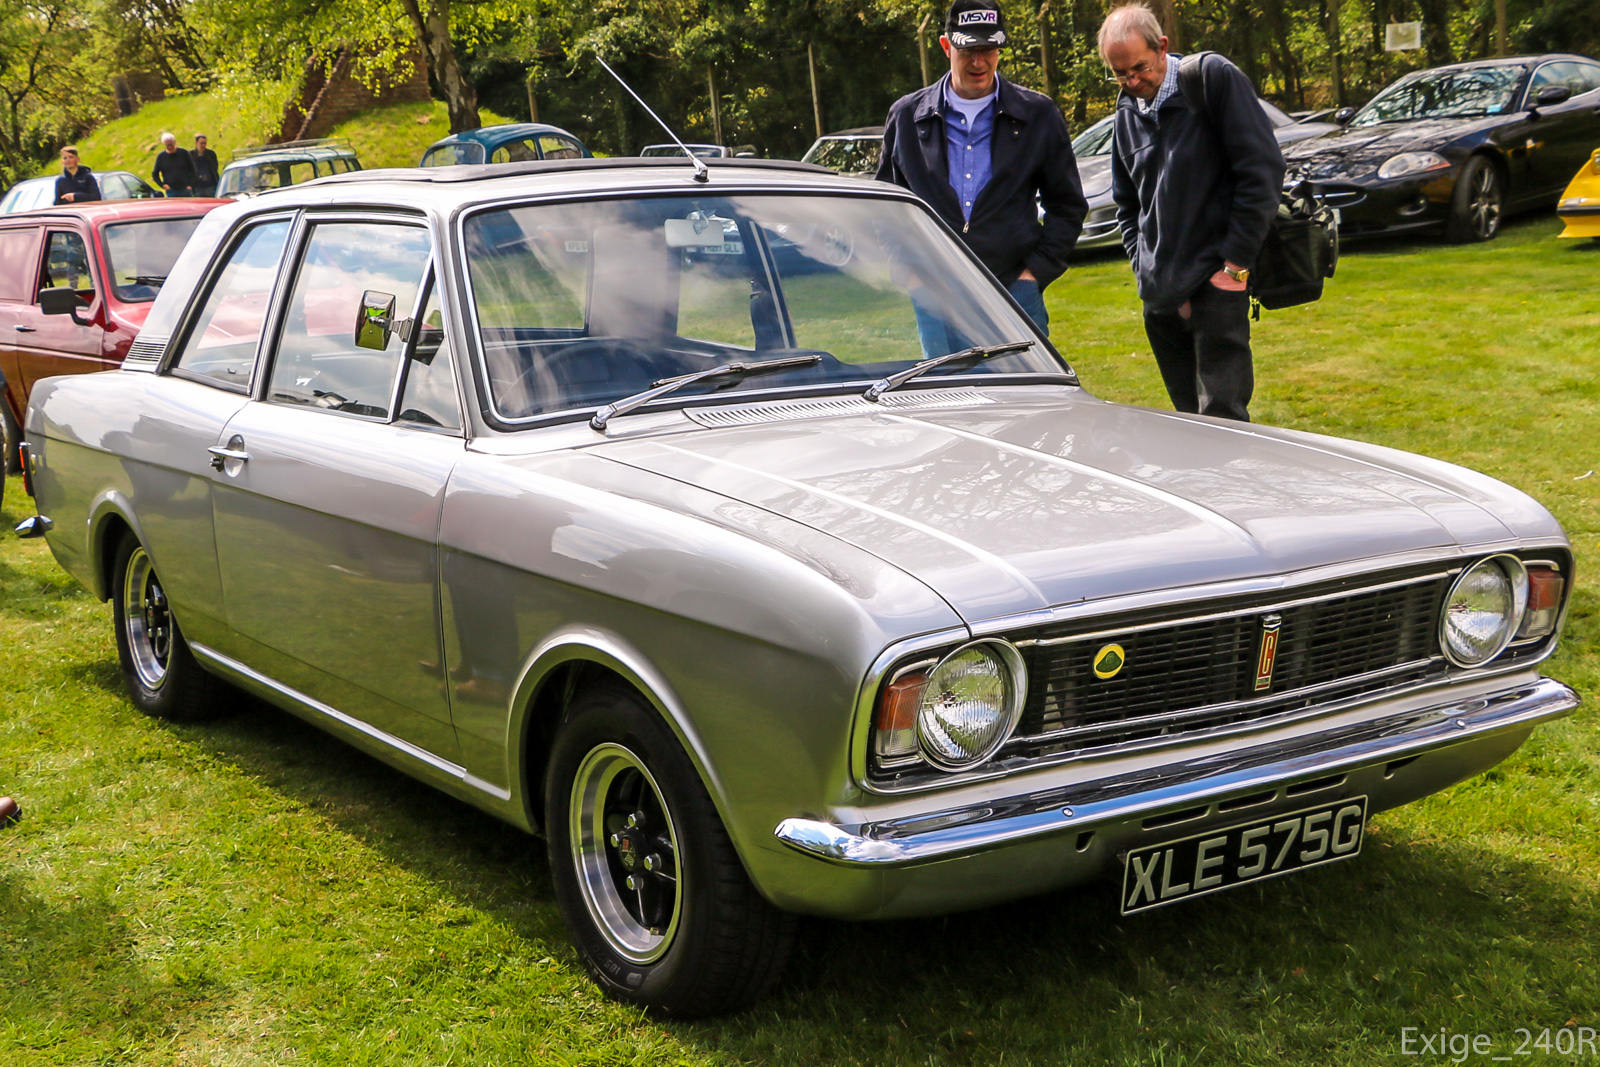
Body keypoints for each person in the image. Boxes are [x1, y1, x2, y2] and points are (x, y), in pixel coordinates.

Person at [1101, 3, 1284, 422]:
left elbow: (1262, 172)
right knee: (1186, 422)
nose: (1133, 81)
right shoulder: (1125, 113)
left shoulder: (1210, 79)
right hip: (1161, 296)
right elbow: (1127, 205)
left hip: (1217, 284)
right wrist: (1143, 266)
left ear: (1162, 46)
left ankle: (1232, 490)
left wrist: (1234, 269)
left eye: (1140, 68)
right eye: (1120, 73)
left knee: (1223, 420)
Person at [877, 0, 1086, 337]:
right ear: (946, 46)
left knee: (1024, 390)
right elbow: (886, 207)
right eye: (968, 49)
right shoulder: (906, 116)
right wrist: (909, 275)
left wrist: (1034, 274)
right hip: (935, 296)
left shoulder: (1039, 115)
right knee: (947, 391)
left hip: (1016, 293)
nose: (979, 61)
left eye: (989, 48)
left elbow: (1068, 206)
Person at [152, 132, 197, 197]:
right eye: (168, 145)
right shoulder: (161, 157)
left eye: (171, 144)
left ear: (174, 142)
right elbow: (155, 174)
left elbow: (193, 170)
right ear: (164, 144)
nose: (170, 147)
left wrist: (190, 185)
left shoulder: (184, 153)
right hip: (171, 191)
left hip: (186, 189)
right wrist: (163, 185)